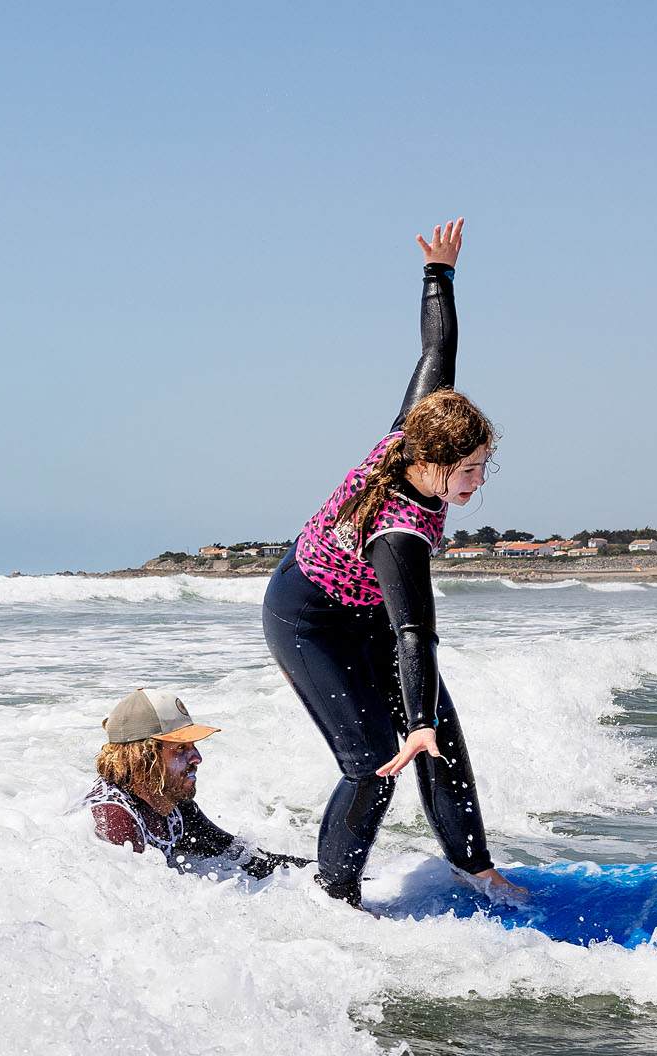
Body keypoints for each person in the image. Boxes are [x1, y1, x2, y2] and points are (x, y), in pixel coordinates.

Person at [263, 218, 523, 909]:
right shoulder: (399, 532)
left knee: (439, 735)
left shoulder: (419, 427)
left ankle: (477, 867)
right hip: (308, 618)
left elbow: (438, 349)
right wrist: (412, 722)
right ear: (433, 462)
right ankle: (333, 897)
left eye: (481, 466)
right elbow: (415, 633)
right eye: (467, 470)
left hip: (363, 610)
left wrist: (439, 273)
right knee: (373, 763)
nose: (476, 482)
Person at [79, 688, 313, 880]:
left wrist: (325, 876)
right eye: (181, 748)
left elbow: (247, 858)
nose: (197, 758)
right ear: (143, 757)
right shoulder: (115, 821)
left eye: (193, 746)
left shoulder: (173, 805)